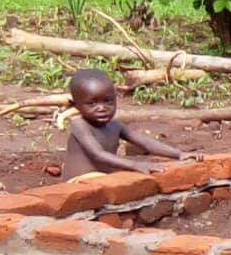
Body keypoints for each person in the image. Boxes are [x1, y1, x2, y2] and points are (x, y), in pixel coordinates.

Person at [60, 69, 194, 179]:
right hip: (79, 181)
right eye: (92, 104)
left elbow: (145, 142)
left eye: (108, 101)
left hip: (102, 179)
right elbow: (98, 154)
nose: (102, 108)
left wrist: (179, 154)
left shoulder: (115, 125)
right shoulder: (80, 125)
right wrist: (135, 165)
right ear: (76, 105)